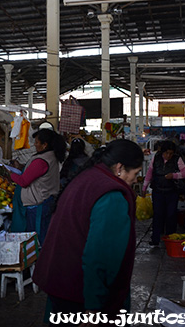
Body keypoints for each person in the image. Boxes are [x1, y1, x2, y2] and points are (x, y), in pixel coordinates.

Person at [33, 139, 143, 324]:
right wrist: (94, 307)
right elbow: (100, 256)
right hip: (80, 294)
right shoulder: (112, 197)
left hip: (60, 282)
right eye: (136, 173)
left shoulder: (88, 177)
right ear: (119, 168)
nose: (135, 180)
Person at [9, 128, 66, 244]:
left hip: (38, 205)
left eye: (37, 142)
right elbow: (35, 172)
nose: (34, 145)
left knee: (38, 240)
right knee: (43, 236)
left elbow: (24, 181)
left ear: (45, 145)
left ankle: (40, 261)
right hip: (46, 201)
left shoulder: (42, 160)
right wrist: (20, 167)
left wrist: (9, 174)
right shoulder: (50, 156)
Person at [142, 140, 185, 246]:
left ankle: (170, 239)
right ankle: (155, 239)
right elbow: (149, 173)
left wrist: (174, 175)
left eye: (171, 153)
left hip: (172, 192)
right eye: (166, 153)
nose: (168, 155)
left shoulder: (177, 159)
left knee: (171, 215)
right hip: (158, 191)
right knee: (158, 215)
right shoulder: (156, 158)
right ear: (162, 152)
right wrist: (144, 187)